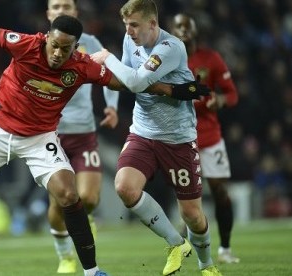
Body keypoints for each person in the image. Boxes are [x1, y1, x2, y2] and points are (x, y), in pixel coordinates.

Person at [0, 10, 205, 276]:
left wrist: (174, 91)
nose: (58, 54)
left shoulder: (82, 66)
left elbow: (125, 83)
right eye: (54, 46)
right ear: (46, 38)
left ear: (76, 47)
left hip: (40, 138)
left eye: (65, 49)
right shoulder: (25, 45)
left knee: (69, 195)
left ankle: (92, 270)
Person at [90, 0, 222, 275]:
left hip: (178, 139)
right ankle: (175, 242)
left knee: (193, 216)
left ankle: (206, 265)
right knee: (125, 187)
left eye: (135, 25)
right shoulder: (130, 41)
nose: (129, 31)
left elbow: (136, 81)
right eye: (126, 25)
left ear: (153, 23)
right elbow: (125, 78)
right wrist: (112, 105)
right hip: (143, 132)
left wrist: (106, 57)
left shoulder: (171, 47)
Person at [45, 0, 119, 273]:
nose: (61, 10)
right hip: (51, 134)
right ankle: (65, 256)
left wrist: (111, 106)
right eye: (56, 6)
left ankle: (82, 220)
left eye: (67, 5)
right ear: (48, 14)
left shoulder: (90, 42)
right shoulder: (38, 46)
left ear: (76, 13)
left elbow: (110, 71)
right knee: (59, 200)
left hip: (85, 131)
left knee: (88, 198)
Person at [171, 13, 240, 264]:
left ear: (195, 30)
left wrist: (220, 100)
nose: (183, 30)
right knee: (189, 199)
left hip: (209, 138)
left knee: (220, 191)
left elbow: (232, 94)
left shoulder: (211, 59)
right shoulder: (166, 59)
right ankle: (185, 243)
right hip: (180, 138)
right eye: (178, 27)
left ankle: (225, 248)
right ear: (172, 31)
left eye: (187, 26)